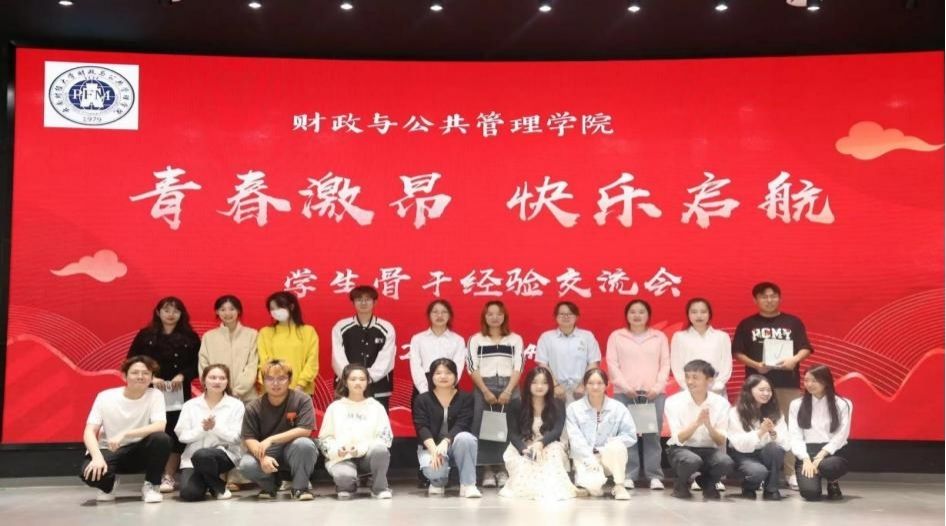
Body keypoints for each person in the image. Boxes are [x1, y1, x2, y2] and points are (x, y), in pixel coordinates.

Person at [732, 281, 813, 490]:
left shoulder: (793, 322)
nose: (769, 300)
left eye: (773, 296)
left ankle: (790, 472)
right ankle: (759, 471)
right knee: (755, 426)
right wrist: (756, 365)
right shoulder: (747, 324)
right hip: (757, 385)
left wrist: (794, 359)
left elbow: (805, 347)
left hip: (788, 383)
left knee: (789, 428)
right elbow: (737, 352)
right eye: (764, 296)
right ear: (756, 300)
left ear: (779, 297)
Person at [127, 296, 200, 493]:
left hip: (178, 392)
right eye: (166, 310)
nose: (170, 314)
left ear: (181, 314)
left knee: (175, 432)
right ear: (158, 312)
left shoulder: (190, 337)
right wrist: (151, 377)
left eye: (175, 311)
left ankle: (169, 475)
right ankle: (152, 476)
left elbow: (197, 364)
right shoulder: (145, 335)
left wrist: (183, 375)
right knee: (154, 432)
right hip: (149, 391)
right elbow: (132, 360)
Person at [79, 355, 171, 503]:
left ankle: (151, 486)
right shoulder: (105, 397)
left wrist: (125, 434)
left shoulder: (155, 395)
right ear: (124, 376)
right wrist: (96, 457)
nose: (140, 377)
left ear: (152, 377)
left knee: (161, 439)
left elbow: (160, 425)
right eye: (135, 372)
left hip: (139, 451)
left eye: (146, 373)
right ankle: (109, 485)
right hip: (110, 449)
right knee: (89, 474)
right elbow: (89, 431)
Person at [605, 299, 669, 490]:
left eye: (641, 312)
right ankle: (628, 474)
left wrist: (657, 388)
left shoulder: (659, 337)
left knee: (652, 435)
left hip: (652, 394)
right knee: (626, 435)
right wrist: (625, 387)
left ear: (648, 315)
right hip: (625, 393)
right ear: (627, 315)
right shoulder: (617, 336)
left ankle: (654, 475)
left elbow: (665, 363)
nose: (637, 315)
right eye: (633, 312)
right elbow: (612, 363)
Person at [238, 359, 319, 500]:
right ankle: (270, 485)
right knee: (246, 465)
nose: (275, 383)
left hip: (292, 448)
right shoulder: (253, 407)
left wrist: (271, 439)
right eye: (270, 379)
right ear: (263, 381)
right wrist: (262, 458)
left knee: (305, 444)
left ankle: (300, 488)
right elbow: (249, 438)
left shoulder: (302, 399)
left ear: (290, 380)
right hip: (267, 451)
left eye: (281, 378)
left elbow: (305, 430)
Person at [467, 300, 523, 488]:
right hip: (484, 386)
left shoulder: (515, 339)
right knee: (484, 430)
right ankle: (488, 470)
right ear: (484, 317)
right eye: (490, 314)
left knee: (508, 429)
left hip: (510, 386)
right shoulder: (476, 339)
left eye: (499, 314)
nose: (495, 317)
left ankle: (504, 469)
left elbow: (518, 366)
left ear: (504, 316)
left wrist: (508, 390)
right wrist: (485, 391)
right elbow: (472, 367)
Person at [499, 366, 576, 500]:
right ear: (528, 384)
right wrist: (523, 449)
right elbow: (512, 433)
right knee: (525, 467)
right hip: (523, 445)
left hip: (548, 444)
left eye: (544, 382)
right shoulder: (516, 404)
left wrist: (540, 444)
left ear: (550, 385)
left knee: (552, 459)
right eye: (535, 382)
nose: (539, 386)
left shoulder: (558, 404)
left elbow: (556, 431)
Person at [318, 364, 394, 500]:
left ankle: (379, 488)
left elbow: (385, 438)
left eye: (362, 379)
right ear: (345, 382)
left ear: (368, 382)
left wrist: (359, 449)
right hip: (342, 457)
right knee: (344, 476)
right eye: (353, 379)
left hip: (367, 455)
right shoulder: (335, 407)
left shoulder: (376, 407)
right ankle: (347, 486)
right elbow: (324, 438)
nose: (358, 383)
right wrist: (338, 450)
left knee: (381, 450)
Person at [664, 359, 734, 500]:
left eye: (695, 377)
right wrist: (697, 423)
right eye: (687, 377)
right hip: (681, 449)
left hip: (709, 449)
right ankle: (680, 484)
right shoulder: (673, 402)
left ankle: (707, 482)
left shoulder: (721, 404)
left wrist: (708, 426)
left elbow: (721, 441)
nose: (690, 381)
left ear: (709, 380)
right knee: (691, 460)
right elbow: (679, 438)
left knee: (726, 463)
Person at [174, 364, 245, 501]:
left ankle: (215, 485)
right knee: (189, 493)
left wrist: (215, 427)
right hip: (192, 459)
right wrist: (203, 429)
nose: (217, 381)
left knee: (203, 455)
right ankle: (214, 483)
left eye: (222, 378)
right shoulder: (190, 405)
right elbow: (182, 436)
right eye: (213, 377)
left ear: (227, 382)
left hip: (224, 455)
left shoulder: (236, 405)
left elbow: (236, 438)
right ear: (203, 380)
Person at [412, 358, 481, 498]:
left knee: (466, 438)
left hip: (455, 445)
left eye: (448, 373)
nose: (443, 376)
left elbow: (462, 424)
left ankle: (468, 485)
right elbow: (422, 427)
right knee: (435, 471)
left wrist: (446, 441)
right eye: (438, 373)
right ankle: (438, 482)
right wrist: (434, 450)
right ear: (431, 377)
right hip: (431, 446)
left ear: (455, 376)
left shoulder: (466, 398)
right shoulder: (422, 399)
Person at [565, 368, 636, 500]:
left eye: (599, 383)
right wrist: (590, 456)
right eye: (591, 383)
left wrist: (606, 447)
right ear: (585, 385)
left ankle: (619, 485)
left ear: (606, 385)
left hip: (608, 454)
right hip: (585, 457)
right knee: (594, 489)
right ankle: (590, 482)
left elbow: (630, 435)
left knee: (617, 446)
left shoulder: (618, 408)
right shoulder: (574, 409)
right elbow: (575, 439)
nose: (595, 387)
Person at [788, 365, 853, 501]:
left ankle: (832, 481)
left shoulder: (843, 404)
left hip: (832, 452)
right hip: (807, 452)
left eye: (814, 380)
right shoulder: (796, 404)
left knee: (827, 466)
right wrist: (806, 459)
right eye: (806, 380)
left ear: (826, 381)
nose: (809, 384)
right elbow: (795, 436)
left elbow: (842, 435)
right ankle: (814, 477)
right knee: (810, 494)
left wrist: (821, 455)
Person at [331, 285, 396, 410]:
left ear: (375, 302)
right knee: (345, 420)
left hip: (378, 387)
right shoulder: (340, 327)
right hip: (346, 387)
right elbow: (338, 358)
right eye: (359, 299)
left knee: (377, 421)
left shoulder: (387, 328)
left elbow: (387, 359)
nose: (363, 303)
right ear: (353, 302)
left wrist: (366, 378)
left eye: (367, 299)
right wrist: (352, 379)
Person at [727, 374, 788, 500]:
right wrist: (761, 432)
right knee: (758, 472)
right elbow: (739, 443)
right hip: (743, 454)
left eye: (769, 390)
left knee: (775, 449)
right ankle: (748, 487)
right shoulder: (735, 412)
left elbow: (785, 442)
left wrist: (772, 432)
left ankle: (771, 489)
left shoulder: (776, 413)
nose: (766, 393)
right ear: (749, 391)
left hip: (765, 452)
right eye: (761, 390)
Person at [535, 301, 601, 403]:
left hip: (581, 389)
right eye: (562, 314)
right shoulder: (546, 337)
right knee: (556, 413)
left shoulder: (587, 336)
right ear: (556, 316)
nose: (566, 317)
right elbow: (542, 364)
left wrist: (583, 385)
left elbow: (593, 363)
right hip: (556, 389)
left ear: (577, 316)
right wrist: (555, 386)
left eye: (570, 314)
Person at [198, 295, 259, 402]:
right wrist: (218, 389)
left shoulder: (252, 334)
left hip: (247, 397)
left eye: (232, 309)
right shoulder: (209, 337)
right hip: (217, 396)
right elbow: (204, 366)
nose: (227, 313)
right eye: (222, 310)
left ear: (238, 311)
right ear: (217, 312)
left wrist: (237, 392)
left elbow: (252, 365)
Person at [257, 291, 319, 396]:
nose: (275, 311)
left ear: (291, 306)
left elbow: (312, 362)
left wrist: (300, 385)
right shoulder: (265, 333)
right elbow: (263, 362)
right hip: (272, 391)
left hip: (301, 391)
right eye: (272, 309)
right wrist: (272, 385)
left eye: (279, 307)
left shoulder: (308, 331)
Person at [671, 298, 732, 397]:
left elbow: (726, 365)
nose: (699, 316)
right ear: (688, 314)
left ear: (709, 314)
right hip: (688, 391)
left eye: (703, 312)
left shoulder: (722, 336)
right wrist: (689, 387)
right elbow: (676, 366)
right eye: (694, 312)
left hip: (715, 391)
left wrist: (716, 386)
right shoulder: (679, 337)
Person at [409, 299, 467, 395]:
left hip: (449, 387)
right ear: (429, 315)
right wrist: (424, 391)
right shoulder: (418, 339)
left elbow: (458, 367)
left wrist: (448, 387)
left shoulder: (458, 340)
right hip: (423, 386)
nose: (439, 315)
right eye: (435, 312)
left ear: (449, 315)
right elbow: (416, 367)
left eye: (444, 312)